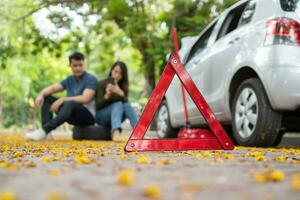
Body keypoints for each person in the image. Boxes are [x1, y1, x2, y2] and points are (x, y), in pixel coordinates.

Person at [26, 52, 98, 140]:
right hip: (71, 114)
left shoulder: (91, 79)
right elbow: (53, 88)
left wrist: (63, 99)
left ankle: (44, 130)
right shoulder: (69, 80)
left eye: (80, 65)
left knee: (70, 103)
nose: (78, 68)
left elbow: (85, 98)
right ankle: (46, 135)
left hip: (87, 117)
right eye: (75, 66)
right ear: (70, 66)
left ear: (84, 64)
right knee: (47, 97)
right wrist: (41, 94)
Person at [95, 61, 138, 141]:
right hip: (101, 117)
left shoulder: (123, 86)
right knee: (118, 104)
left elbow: (126, 106)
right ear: (111, 71)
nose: (117, 75)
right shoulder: (102, 83)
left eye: (120, 73)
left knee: (126, 105)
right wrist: (106, 96)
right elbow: (97, 106)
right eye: (115, 71)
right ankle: (115, 132)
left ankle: (139, 132)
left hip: (117, 117)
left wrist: (120, 93)